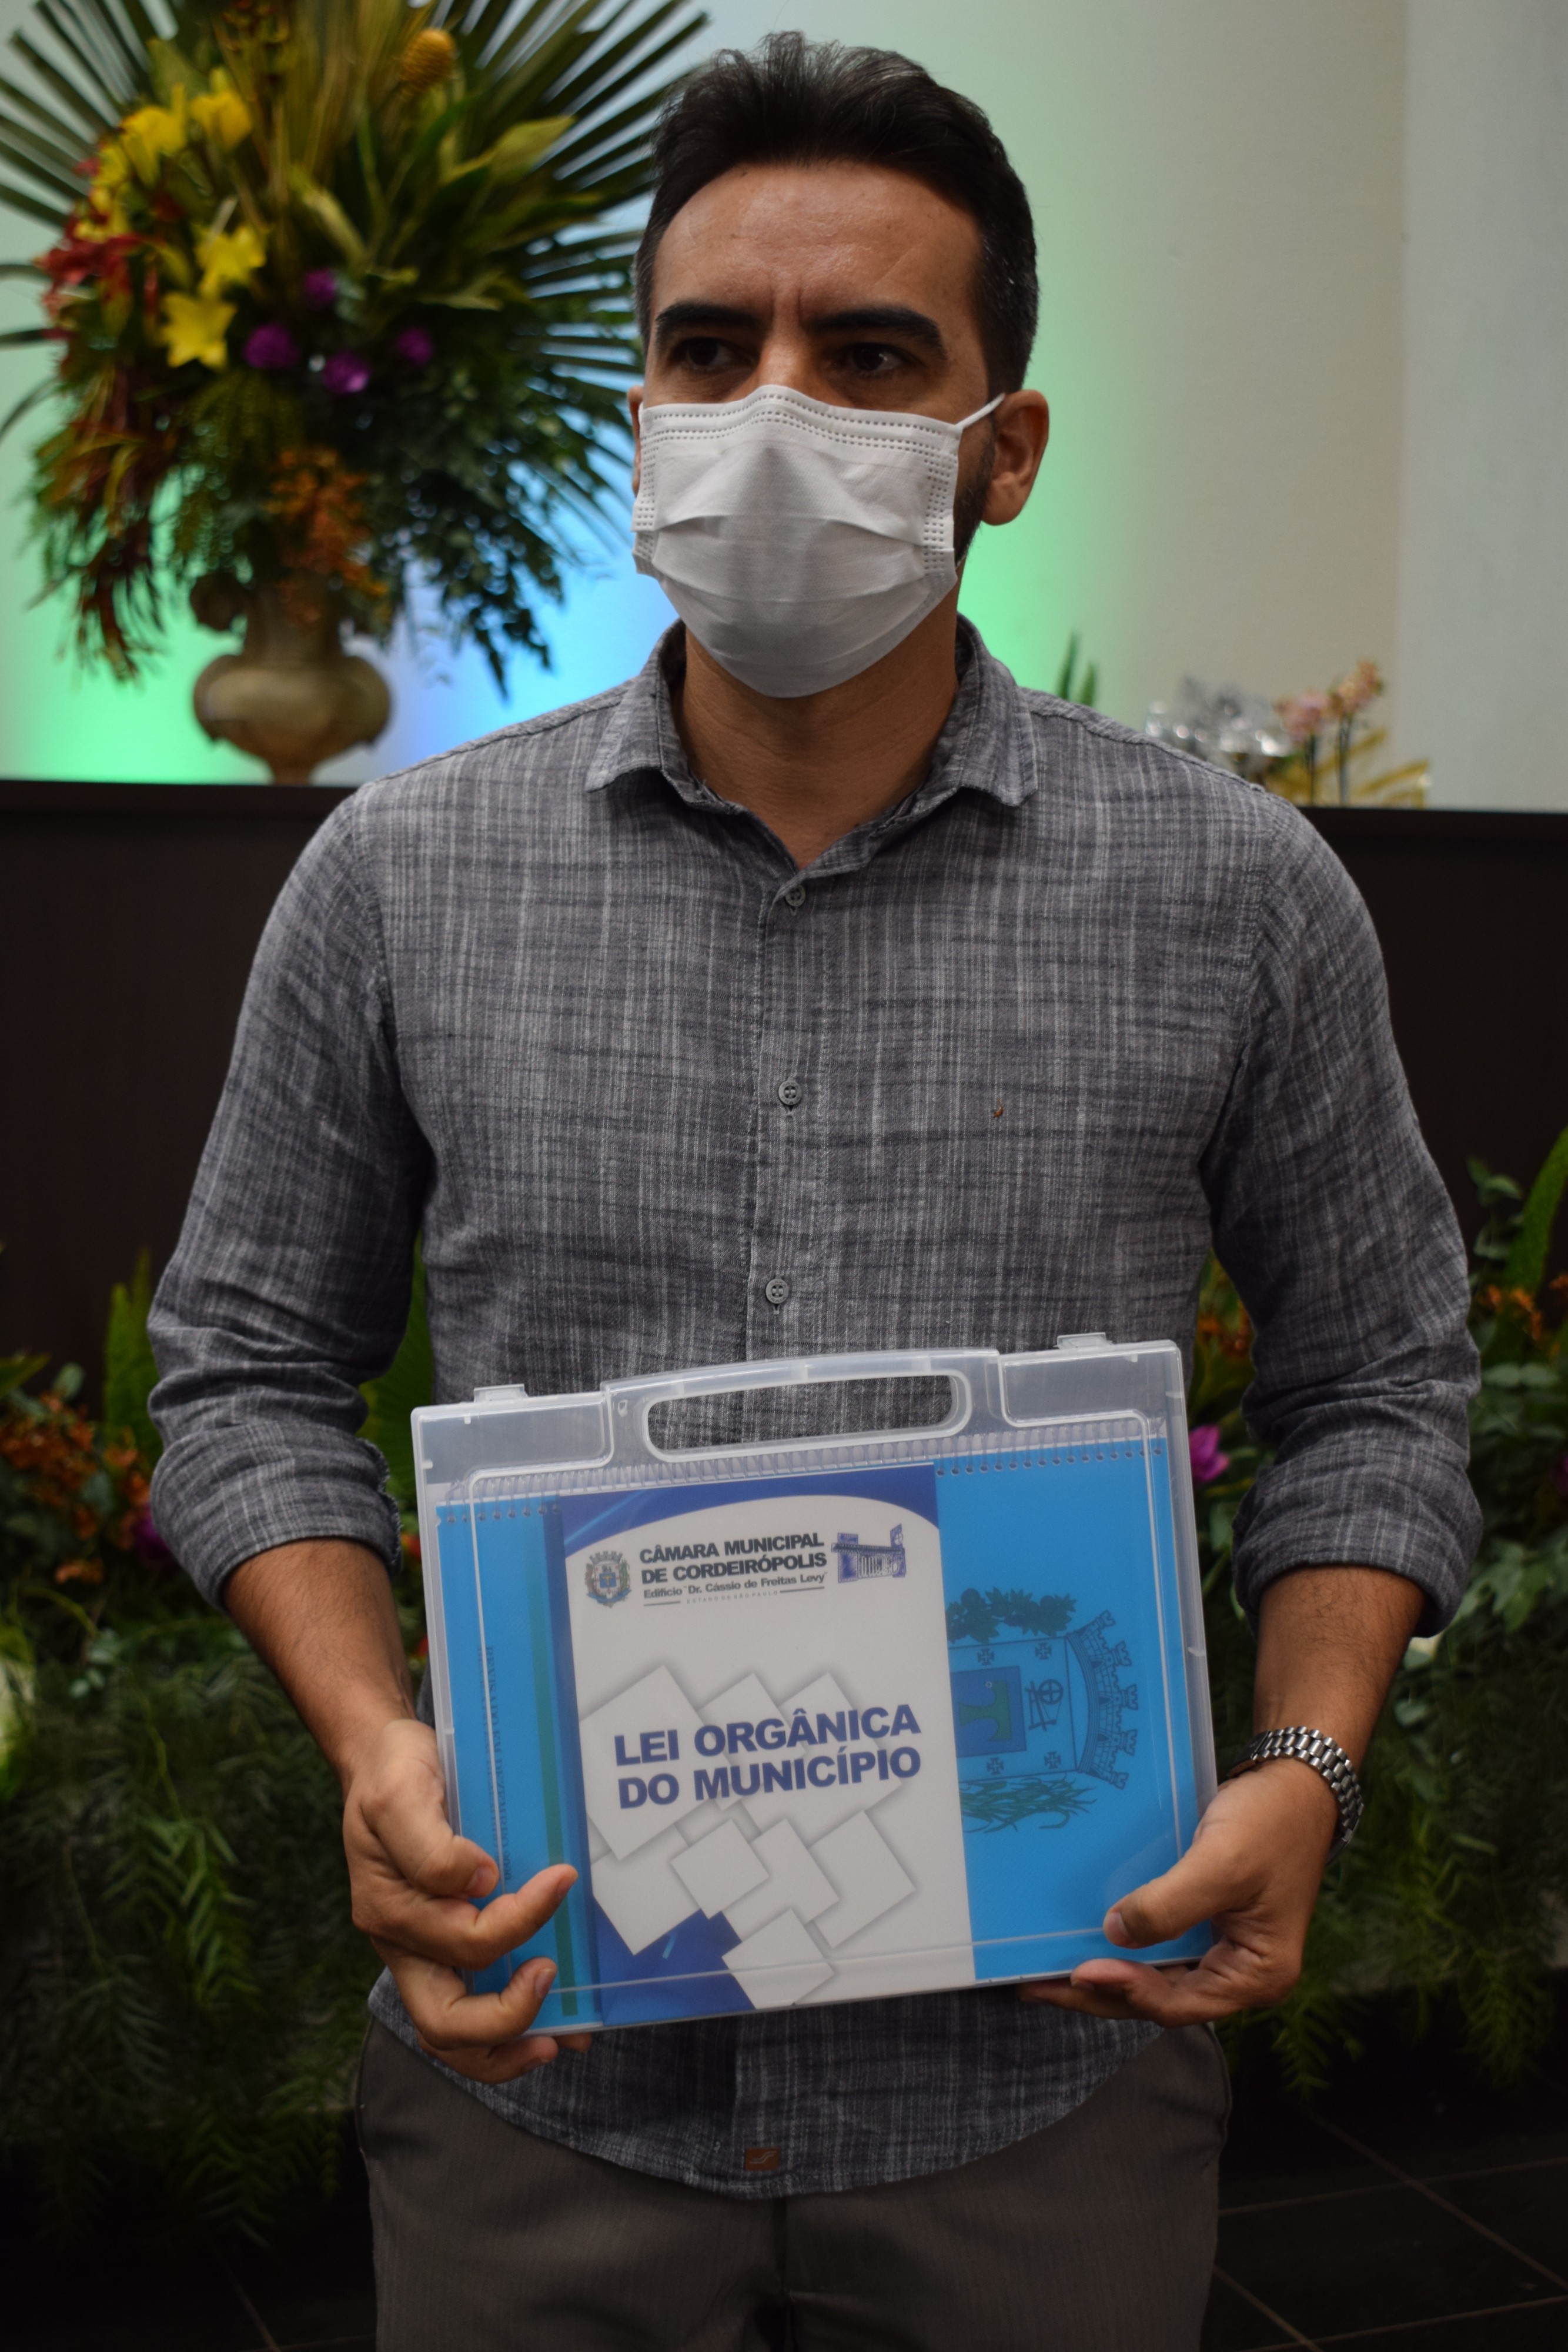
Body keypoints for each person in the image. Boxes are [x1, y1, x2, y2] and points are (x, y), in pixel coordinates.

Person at [149, 33, 1479, 2352]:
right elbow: (244, 1367)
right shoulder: (397, 879)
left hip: (1043, 2092)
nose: (771, 408)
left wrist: (1301, 1765)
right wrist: (377, 1747)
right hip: (543, 2085)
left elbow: (1378, 1382)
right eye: (708, 347)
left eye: (867, 355)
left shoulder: (1236, 896)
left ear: (1003, 447)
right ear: (643, 412)